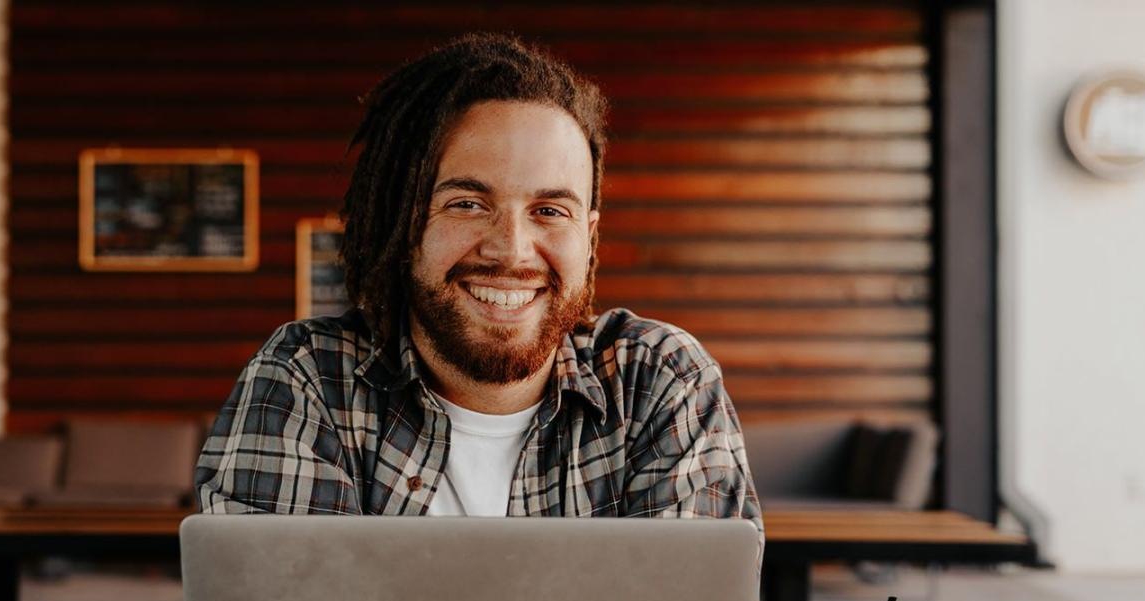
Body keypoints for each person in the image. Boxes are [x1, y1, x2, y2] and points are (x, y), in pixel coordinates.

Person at [194, 33, 760, 528]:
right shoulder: (307, 381)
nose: (510, 250)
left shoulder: (659, 383)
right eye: (466, 202)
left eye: (549, 210)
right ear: (402, 219)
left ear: (589, 237)